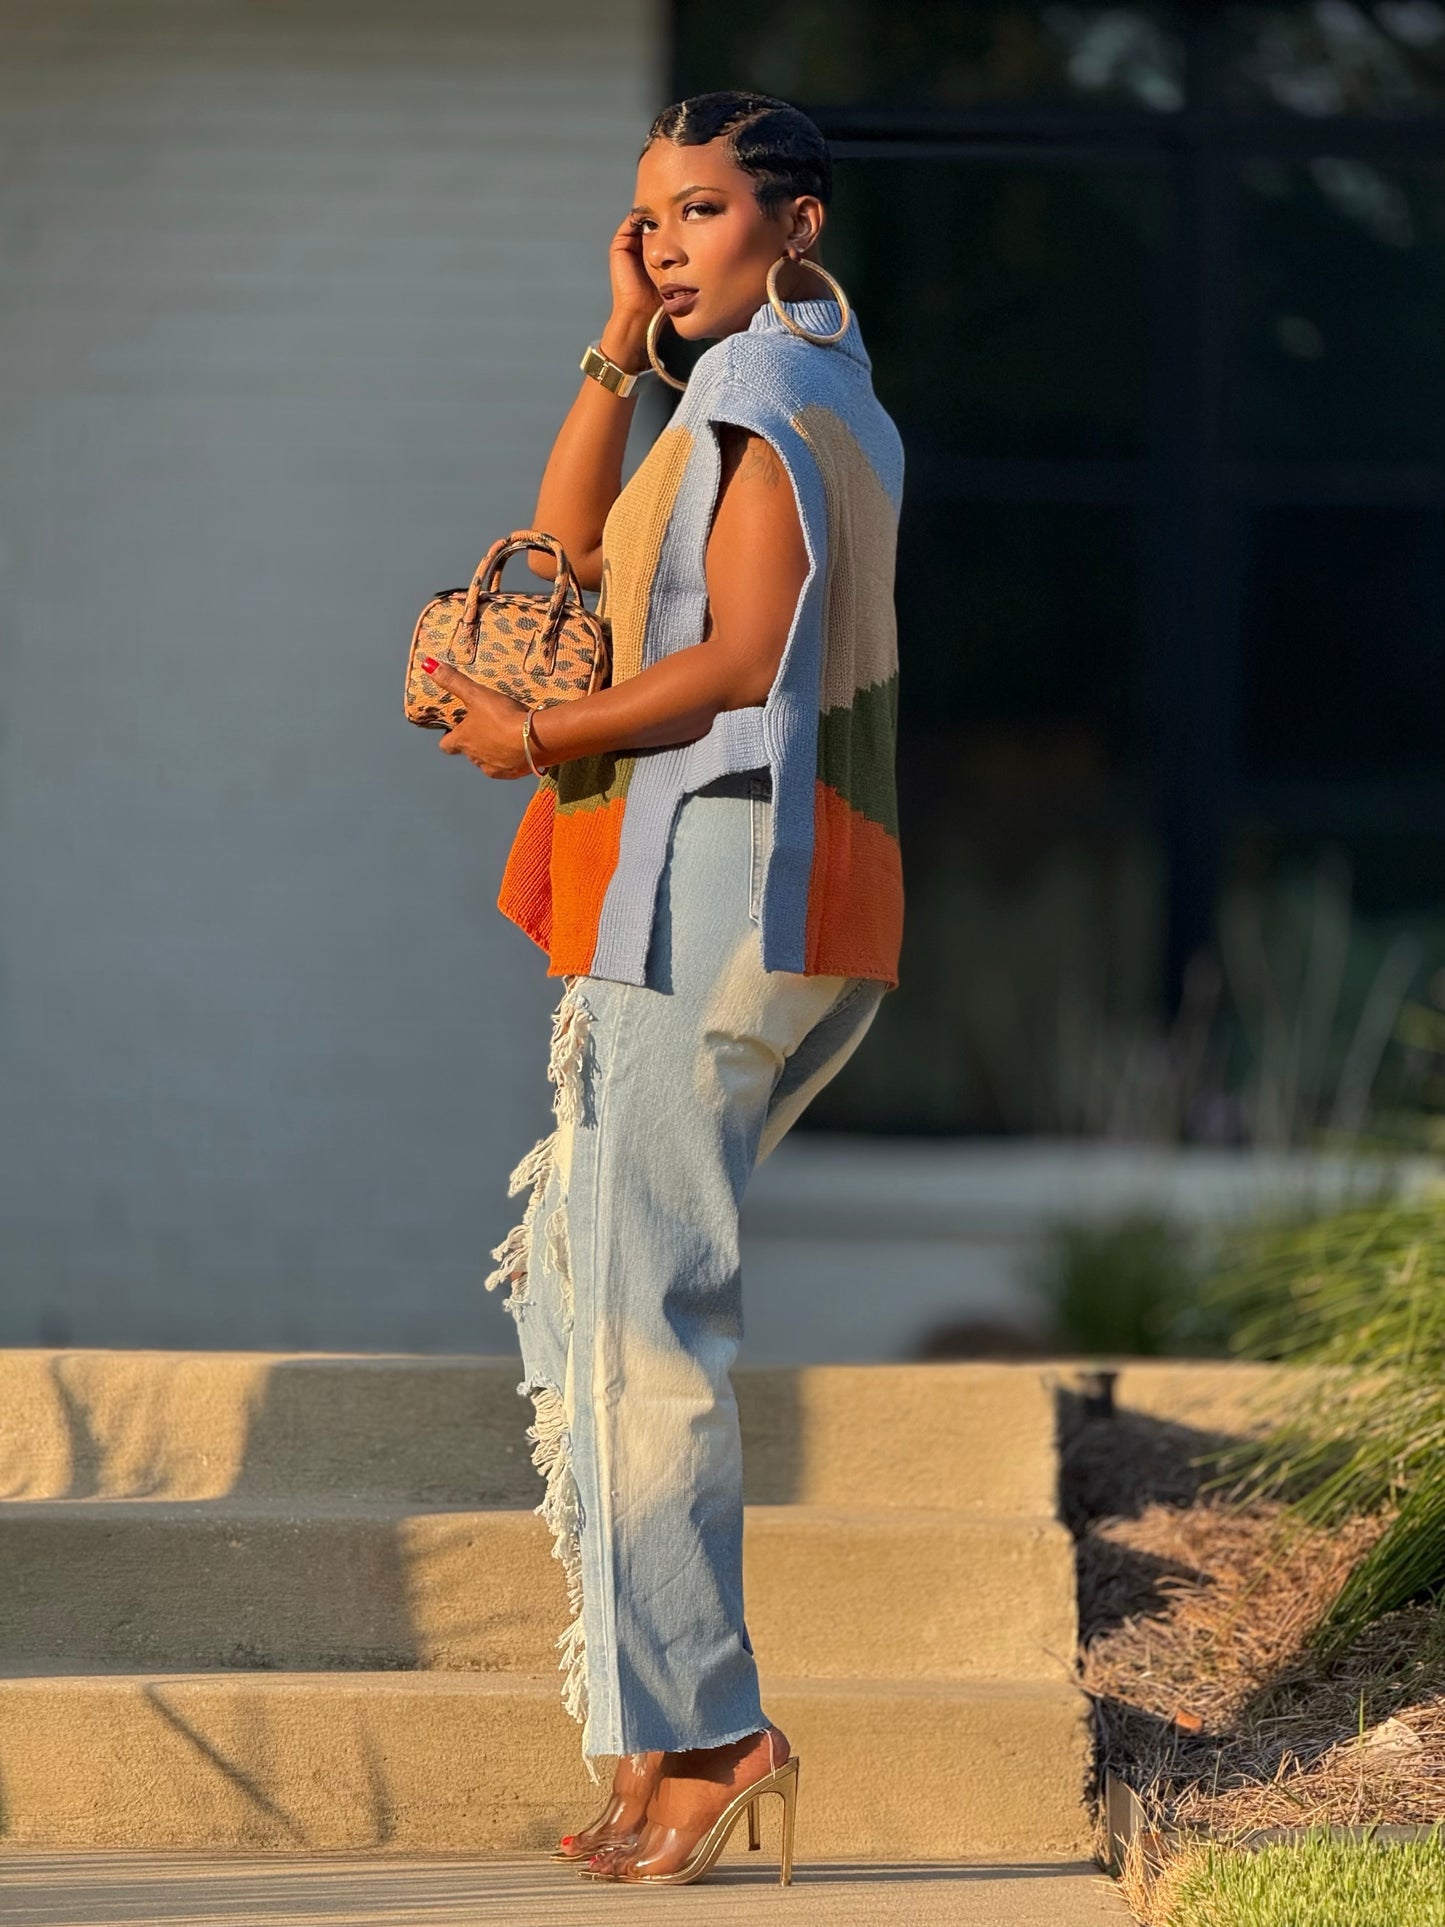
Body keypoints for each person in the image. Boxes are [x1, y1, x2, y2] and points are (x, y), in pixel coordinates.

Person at [419, 88, 905, 1887]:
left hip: (718, 891)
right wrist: (613, 342)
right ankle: (654, 1719)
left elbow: (729, 660)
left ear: (795, 225)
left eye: (699, 212)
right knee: (588, 1286)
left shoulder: (768, 398)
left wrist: (535, 731)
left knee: (642, 1318)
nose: (665, 242)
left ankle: (711, 1730)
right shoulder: (755, 390)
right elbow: (564, 566)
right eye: (647, 216)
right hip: (740, 891)